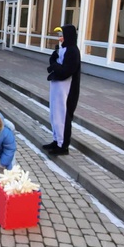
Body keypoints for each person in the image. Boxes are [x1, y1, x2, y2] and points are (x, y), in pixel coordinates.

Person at [44, 24, 81, 155]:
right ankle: (57, 140)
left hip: (67, 90)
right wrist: (54, 62)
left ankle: (63, 145)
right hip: (57, 87)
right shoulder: (63, 49)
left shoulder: (73, 51)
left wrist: (54, 65)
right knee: (55, 114)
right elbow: (54, 61)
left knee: (63, 116)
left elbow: (66, 71)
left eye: (62, 35)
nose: (60, 38)